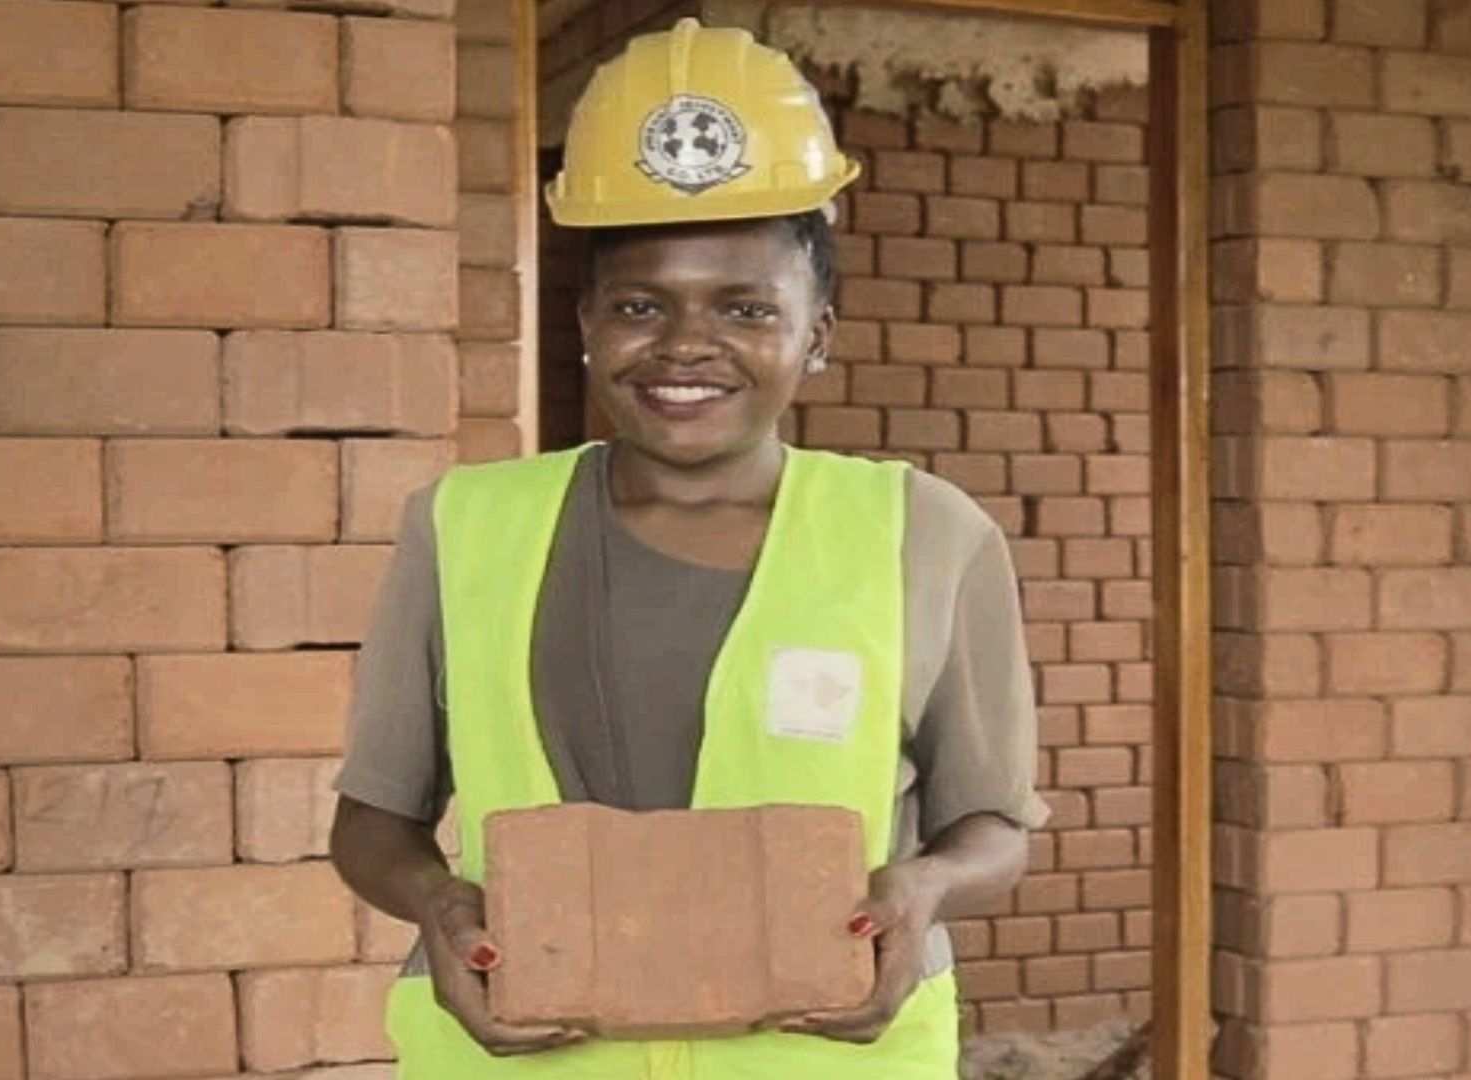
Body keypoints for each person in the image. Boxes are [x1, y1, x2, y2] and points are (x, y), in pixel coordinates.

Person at [329, 17, 1050, 1078]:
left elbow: (993, 828)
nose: (684, 346)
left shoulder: (925, 534)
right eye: (639, 305)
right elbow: (371, 824)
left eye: (746, 307)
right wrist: (441, 905)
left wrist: (923, 888)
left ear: (818, 336)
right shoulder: (463, 526)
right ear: (583, 323)